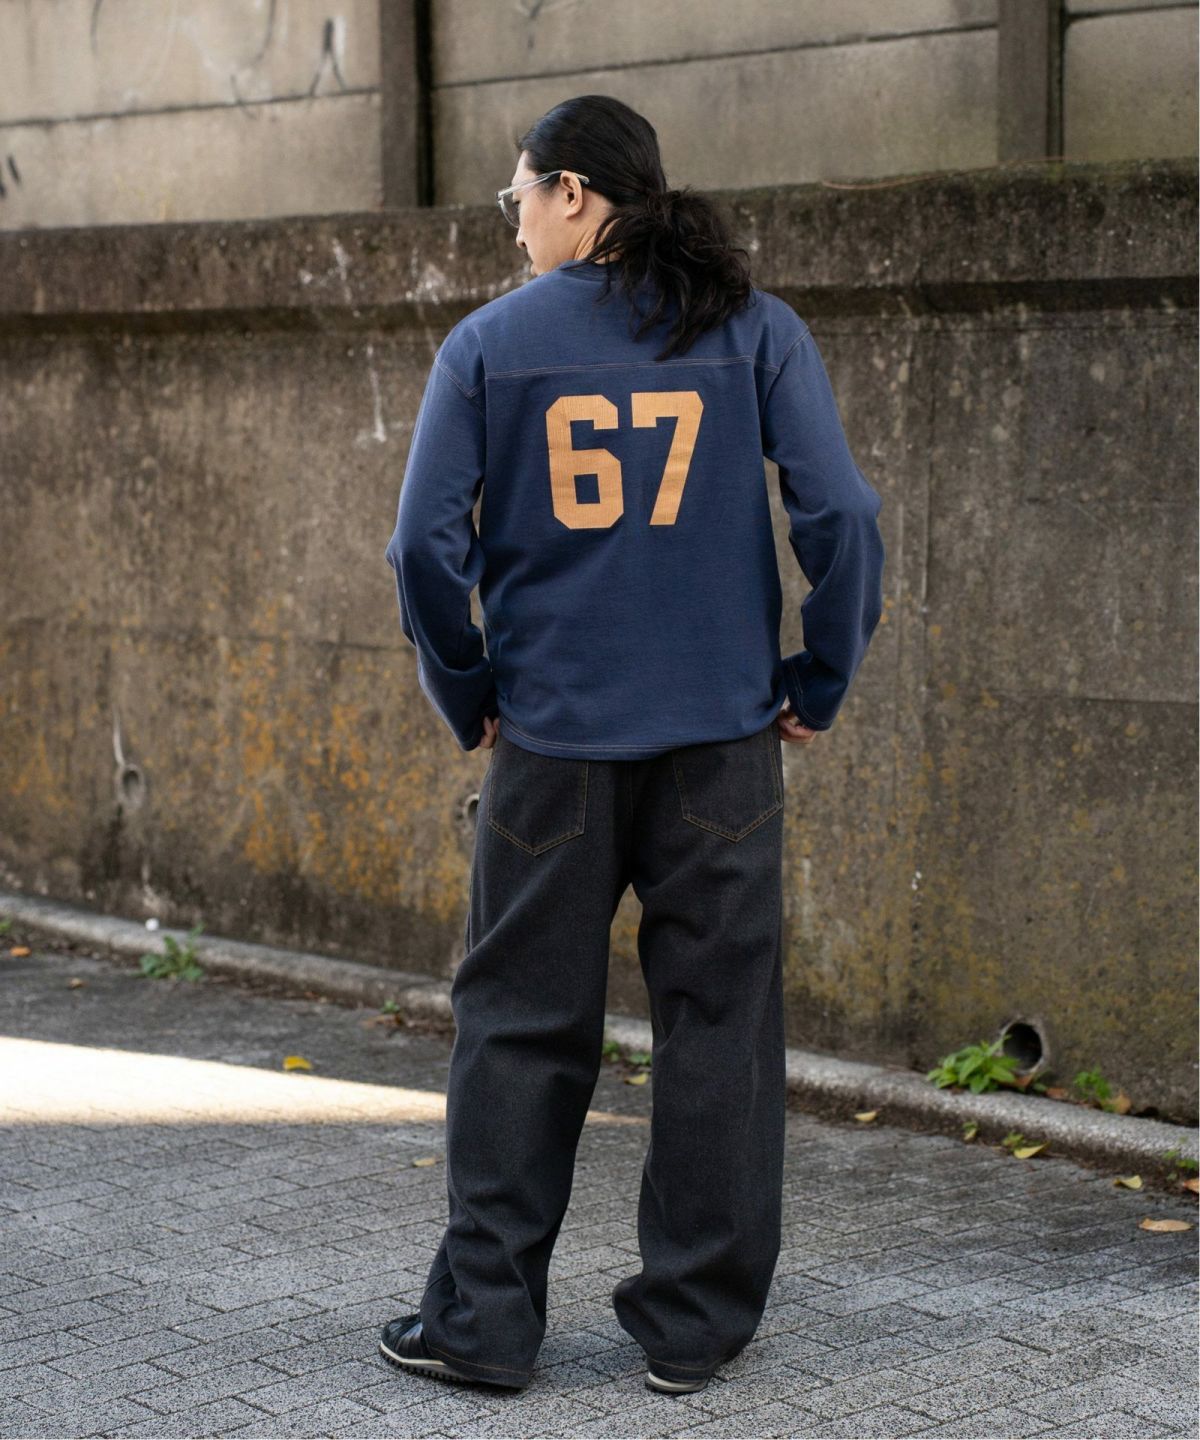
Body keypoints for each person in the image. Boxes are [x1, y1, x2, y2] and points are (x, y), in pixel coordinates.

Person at [378, 94, 885, 1396]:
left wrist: (467, 689)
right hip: (722, 746)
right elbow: (841, 517)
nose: (514, 225)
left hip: (551, 746)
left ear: (574, 195)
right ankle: (694, 1325)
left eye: (518, 199)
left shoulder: (489, 348)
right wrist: (816, 679)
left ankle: (485, 1324)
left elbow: (422, 548)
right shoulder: (755, 331)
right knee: (720, 1027)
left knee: (519, 1024)